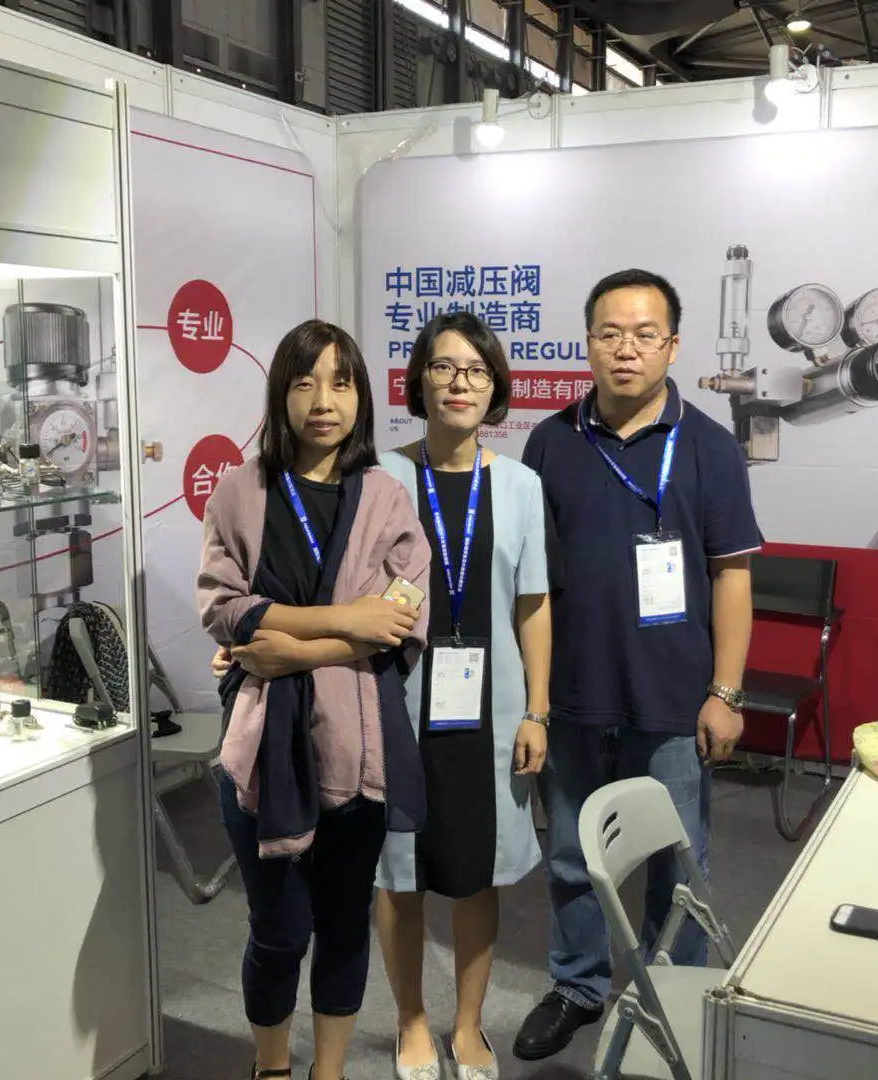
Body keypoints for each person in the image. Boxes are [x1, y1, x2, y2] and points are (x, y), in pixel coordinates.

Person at [513, 269, 763, 1060]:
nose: (627, 350)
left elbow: (732, 575)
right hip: (575, 690)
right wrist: (535, 697)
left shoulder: (711, 447)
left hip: (674, 694)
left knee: (676, 862)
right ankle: (578, 985)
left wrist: (726, 692)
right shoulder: (551, 441)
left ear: (672, 346)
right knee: (571, 854)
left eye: (645, 335)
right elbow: (532, 581)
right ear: (588, 343)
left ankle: (671, 996)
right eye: (610, 334)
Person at [200, 319, 433, 1080]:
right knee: (277, 930)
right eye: (304, 383)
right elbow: (226, 610)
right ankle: (272, 1068)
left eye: (340, 382)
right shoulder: (241, 491)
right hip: (263, 749)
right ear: (281, 394)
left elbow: (401, 619)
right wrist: (347, 620)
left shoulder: (386, 496)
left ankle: (327, 1071)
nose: (323, 401)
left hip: (357, 747)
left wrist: (292, 649)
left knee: (343, 924)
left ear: (361, 397)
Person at [374, 312, 553, 1080]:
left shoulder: (519, 485)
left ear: (495, 387)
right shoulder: (380, 476)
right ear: (419, 381)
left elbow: (533, 605)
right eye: (444, 367)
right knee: (399, 870)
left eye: (476, 370)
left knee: (478, 870)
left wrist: (537, 710)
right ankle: (411, 1019)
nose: (459, 382)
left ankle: (469, 1023)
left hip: (494, 712)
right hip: (397, 706)